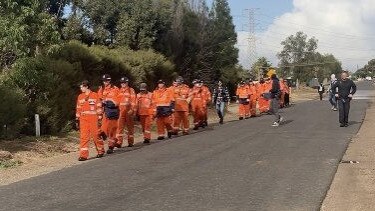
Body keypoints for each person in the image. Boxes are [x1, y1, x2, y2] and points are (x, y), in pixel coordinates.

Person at [75, 80, 105, 161]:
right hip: (83, 119)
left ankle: (100, 151)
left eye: (82, 87)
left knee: (96, 135)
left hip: (93, 118)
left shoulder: (95, 95)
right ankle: (83, 155)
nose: (80, 88)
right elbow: (78, 109)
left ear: (86, 86)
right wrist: (77, 119)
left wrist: (99, 118)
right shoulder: (80, 96)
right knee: (84, 137)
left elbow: (99, 107)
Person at [98, 74, 120, 154]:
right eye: (103, 81)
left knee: (113, 129)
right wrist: (102, 103)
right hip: (105, 111)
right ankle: (114, 141)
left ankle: (111, 146)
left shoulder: (115, 89)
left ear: (109, 80)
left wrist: (111, 103)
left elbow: (118, 100)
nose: (105, 82)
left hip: (113, 111)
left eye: (106, 81)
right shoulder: (101, 89)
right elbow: (99, 99)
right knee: (104, 129)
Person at [113, 76, 136, 151]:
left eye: (124, 82)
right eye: (122, 83)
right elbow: (117, 101)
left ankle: (130, 141)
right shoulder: (119, 91)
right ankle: (119, 142)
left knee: (130, 127)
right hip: (121, 111)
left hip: (128, 111)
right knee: (119, 127)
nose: (123, 84)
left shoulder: (131, 90)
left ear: (127, 83)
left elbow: (133, 101)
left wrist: (132, 110)